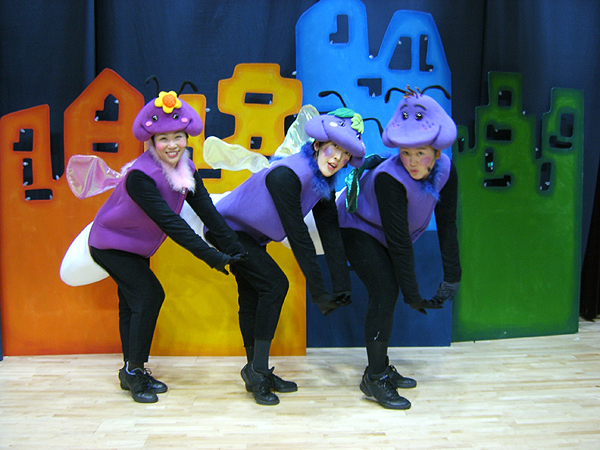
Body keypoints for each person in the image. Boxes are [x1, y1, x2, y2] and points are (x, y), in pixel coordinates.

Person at [88, 90, 247, 403]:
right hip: (110, 243)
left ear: (186, 138)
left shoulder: (186, 169)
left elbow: (208, 213)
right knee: (149, 295)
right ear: (151, 142)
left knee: (132, 302)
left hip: (136, 246)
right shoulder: (140, 177)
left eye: (178, 137)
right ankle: (135, 372)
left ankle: (130, 371)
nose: (172, 145)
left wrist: (236, 249)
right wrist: (213, 257)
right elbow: (172, 224)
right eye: (163, 139)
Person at [205, 107, 366, 406]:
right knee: (274, 285)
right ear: (317, 144)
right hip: (226, 229)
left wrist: (341, 285)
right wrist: (319, 292)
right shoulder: (287, 175)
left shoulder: (321, 180)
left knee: (253, 295)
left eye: (345, 154)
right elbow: (298, 235)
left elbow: (330, 232)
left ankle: (256, 371)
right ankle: (258, 371)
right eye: (333, 148)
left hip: (251, 234)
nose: (337, 158)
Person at [337, 86, 461, 410]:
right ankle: (375, 378)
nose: (412, 162)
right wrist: (412, 294)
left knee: (389, 290)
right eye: (406, 153)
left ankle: (379, 367)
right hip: (356, 226)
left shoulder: (447, 170)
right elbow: (399, 243)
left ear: (437, 150)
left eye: (420, 153)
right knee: (385, 290)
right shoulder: (388, 178)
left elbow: (447, 223)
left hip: (387, 232)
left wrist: (453, 276)